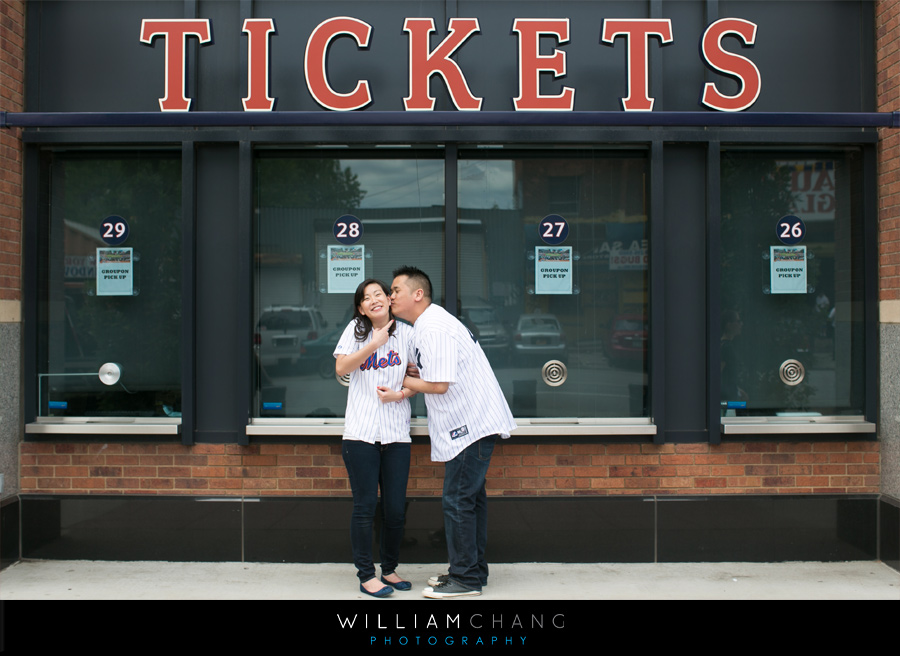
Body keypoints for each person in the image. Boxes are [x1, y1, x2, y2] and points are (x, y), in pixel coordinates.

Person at [381, 266, 516, 598]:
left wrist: (400, 378)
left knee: (457, 500)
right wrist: (414, 373)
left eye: (396, 290)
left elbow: (439, 385)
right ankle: (472, 571)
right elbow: (435, 373)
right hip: (474, 423)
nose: (390, 296)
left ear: (418, 294)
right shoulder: (431, 324)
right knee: (470, 501)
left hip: (471, 425)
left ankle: (465, 579)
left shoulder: (433, 328)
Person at [334, 278, 416, 598]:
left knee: (395, 509)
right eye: (366, 298)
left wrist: (400, 394)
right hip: (361, 435)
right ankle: (366, 575)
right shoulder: (356, 330)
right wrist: (374, 342)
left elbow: (419, 377)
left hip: (396, 434)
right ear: (361, 308)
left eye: (378, 294)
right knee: (365, 507)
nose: (373, 300)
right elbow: (341, 366)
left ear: (388, 299)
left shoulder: (408, 333)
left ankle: (390, 569)